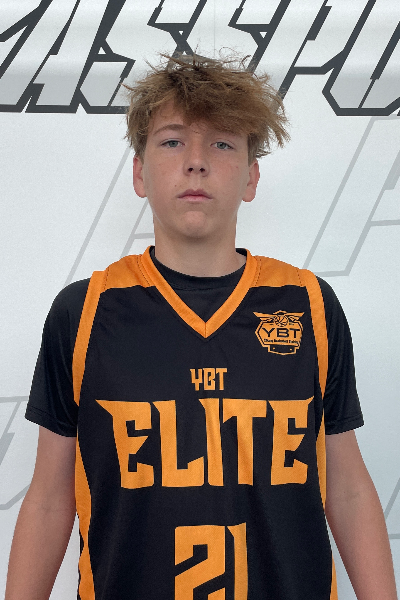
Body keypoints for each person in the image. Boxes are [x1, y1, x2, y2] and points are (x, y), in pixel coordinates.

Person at [5, 53, 397, 600]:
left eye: (221, 144)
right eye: (172, 141)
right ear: (139, 173)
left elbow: (347, 487)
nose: (195, 162)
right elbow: (50, 498)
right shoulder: (86, 310)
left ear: (251, 176)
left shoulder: (307, 303)